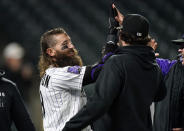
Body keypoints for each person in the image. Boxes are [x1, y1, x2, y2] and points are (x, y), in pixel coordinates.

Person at [62, 11, 166, 131]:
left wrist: (70, 127)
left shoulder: (117, 62)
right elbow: (160, 95)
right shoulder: (154, 67)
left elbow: (99, 103)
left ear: (121, 36)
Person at [38, 26, 118, 131]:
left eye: (70, 42)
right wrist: (112, 38)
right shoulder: (58, 75)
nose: (71, 46)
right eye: (65, 44)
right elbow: (97, 71)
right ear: (51, 52)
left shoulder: (52, 74)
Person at [152, 36, 184, 131]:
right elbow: (146, 62)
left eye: (183, 46)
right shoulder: (171, 67)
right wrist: (147, 54)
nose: (179, 50)